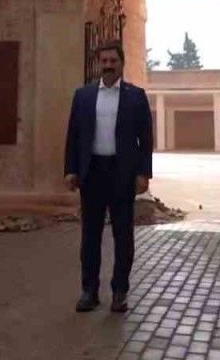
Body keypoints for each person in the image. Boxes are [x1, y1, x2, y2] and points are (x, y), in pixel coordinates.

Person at [63, 42, 154, 313]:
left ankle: (119, 292)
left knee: (123, 236)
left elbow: (145, 139)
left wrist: (143, 173)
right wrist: (70, 170)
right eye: (104, 61)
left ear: (122, 63)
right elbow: (74, 135)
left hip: (122, 173)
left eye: (113, 60)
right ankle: (89, 292)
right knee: (90, 235)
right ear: (98, 64)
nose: (108, 65)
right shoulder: (83, 96)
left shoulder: (136, 97)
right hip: (92, 173)